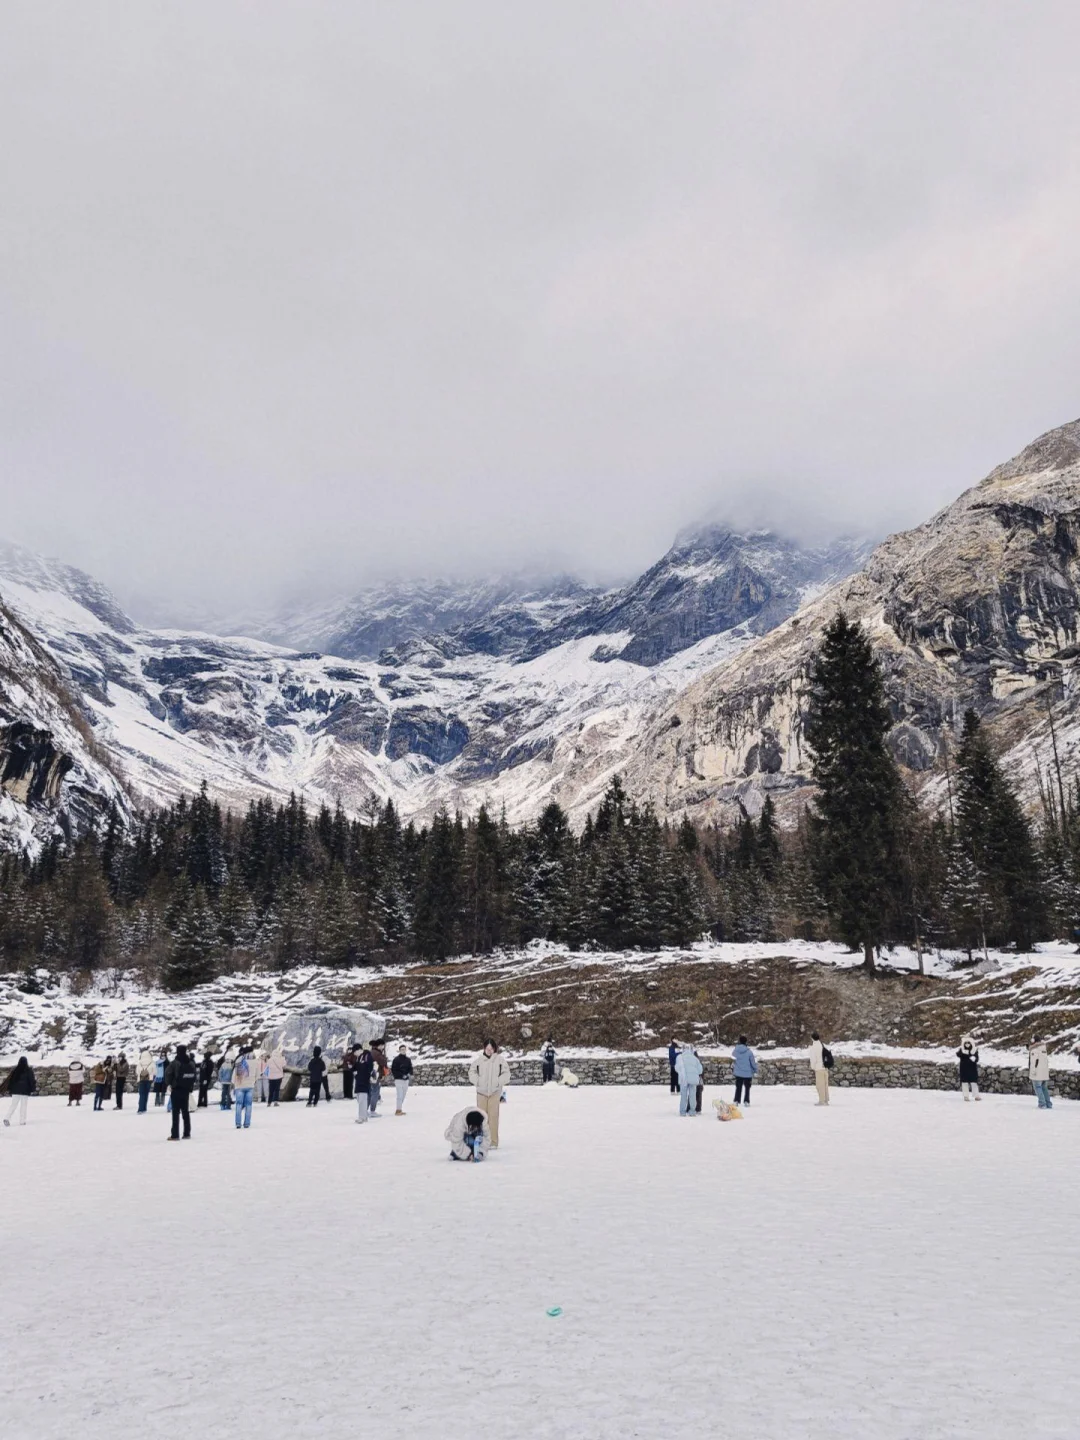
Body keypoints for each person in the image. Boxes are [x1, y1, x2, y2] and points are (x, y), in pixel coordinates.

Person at [469, 1040, 511, 1148]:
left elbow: (507, 1074)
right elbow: (471, 1072)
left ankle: (493, 1142)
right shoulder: (479, 1061)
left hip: (494, 1093)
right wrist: (477, 1081)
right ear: (484, 1049)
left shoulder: (500, 1060)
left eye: (491, 1049)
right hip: (481, 1093)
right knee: (481, 1118)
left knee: (493, 1118)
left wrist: (498, 1082)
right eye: (487, 1049)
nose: (489, 1051)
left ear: (494, 1049)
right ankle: (481, 1140)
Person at [166, 1044, 197, 1140]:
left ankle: (175, 1135)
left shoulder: (175, 1063)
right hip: (186, 1090)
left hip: (176, 1089)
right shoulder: (190, 1063)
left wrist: (170, 1084)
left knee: (175, 1113)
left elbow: (168, 1074)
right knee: (185, 1112)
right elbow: (194, 1076)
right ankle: (187, 1133)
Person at [3, 1056, 36, 1126]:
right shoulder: (29, 1070)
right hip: (25, 1091)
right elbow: (31, 1081)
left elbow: (11, 1081)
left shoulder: (15, 1070)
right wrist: (33, 1089)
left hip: (15, 1091)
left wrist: (10, 1090)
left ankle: (7, 1118)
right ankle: (22, 1121)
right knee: (23, 1106)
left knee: (13, 1105)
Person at [231, 1046, 257, 1130]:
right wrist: (253, 1080)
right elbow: (258, 1074)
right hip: (250, 1086)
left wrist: (235, 1084)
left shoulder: (239, 1061)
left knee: (238, 1105)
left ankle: (238, 1123)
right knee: (248, 1105)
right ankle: (247, 1123)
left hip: (239, 1085)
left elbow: (233, 1076)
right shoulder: (255, 1062)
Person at [675, 1043, 703, 1116]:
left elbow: (677, 1068)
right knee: (692, 1096)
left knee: (683, 1096)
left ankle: (682, 1112)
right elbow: (700, 1070)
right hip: (693, 1080)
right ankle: (692, 1111)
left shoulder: (680, 1057)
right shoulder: (695, 1058)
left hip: (683, 1079)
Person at [732, 1035, 758, 1107]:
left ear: (739, 1041)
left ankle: (736, 1100)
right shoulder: (749, 1052)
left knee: (738, 1087)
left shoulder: (736, 1050)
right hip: (747, 1073)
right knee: (747, 1088)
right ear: (746, 1042)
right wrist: (755, 1070)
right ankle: (746, 1101)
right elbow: (752, 1062)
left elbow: (733, 1055)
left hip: (738, 1072)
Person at [354, 1045, 376, 1123]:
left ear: (359, 1050)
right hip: (359, 1081)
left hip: (364, 1081)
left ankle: (362, 1117)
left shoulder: (367, 1056)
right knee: (360, 1099)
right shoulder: (359, 1058)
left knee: (362, 1100)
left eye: (355, 1052)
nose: (355, 1054)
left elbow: (368, 1068)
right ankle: (364, 1116)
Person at [1029, 1038, 1052, 1109]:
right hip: (1044, 1073)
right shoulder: (1043, 1049)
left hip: (1037, 1073)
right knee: (1044, 1088)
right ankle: (1048, 1104)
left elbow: (1034, 1062)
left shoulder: (1035, 1050)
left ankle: (1042, 1104)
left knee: (1038, 1087)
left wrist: (1032, 1072)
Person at [809, 1032, 831, 1106]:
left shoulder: (813, 1047)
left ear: (812, 1038)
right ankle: (826, 1100)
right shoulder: (821, 1045)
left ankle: (822, 1101)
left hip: (818, 1068)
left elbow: (813, 1059)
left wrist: (813, 1067)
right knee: (825, 1084)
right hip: (825, 1067)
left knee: (820, 1085)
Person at [391, 1045, 413, 1115]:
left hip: (406, 1080)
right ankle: (398, 1110)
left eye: (404, 1049)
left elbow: (410, 1068)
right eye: (402, 1049)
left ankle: (399, 1107)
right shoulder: (396, 1060)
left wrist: (410, 1074)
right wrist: (401, 1075)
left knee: (403, 1095)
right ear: (399, 1050)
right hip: (398, 1080)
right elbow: (394, 1070)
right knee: (399, 1095)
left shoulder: (408, 1059)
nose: (403, 1051)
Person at [957, 1036, 981, 1101]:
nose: (967, 1044)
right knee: (964, 1083)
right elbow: (958, 1054)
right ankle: (966, 1096)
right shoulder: (961, 1050)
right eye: (966, 1042)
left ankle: (976, 1096)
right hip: (964, 1069)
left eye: (969, 1042)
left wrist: (974, 1059)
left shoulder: (974, 1050)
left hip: (972, 1069)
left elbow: (977, 1058)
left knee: (974, 1083)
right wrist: (963, 1051)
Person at [369, 1039, 388, 1115]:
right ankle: (372, 1110)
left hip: (372, 1074)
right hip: (375, 1074)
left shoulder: (373, 1052)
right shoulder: (377, 1053)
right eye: (382, 1045)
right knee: (375, 1092)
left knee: (372, 1091)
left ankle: (367, 1109)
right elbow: (383, 1062)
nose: (383, 1047)